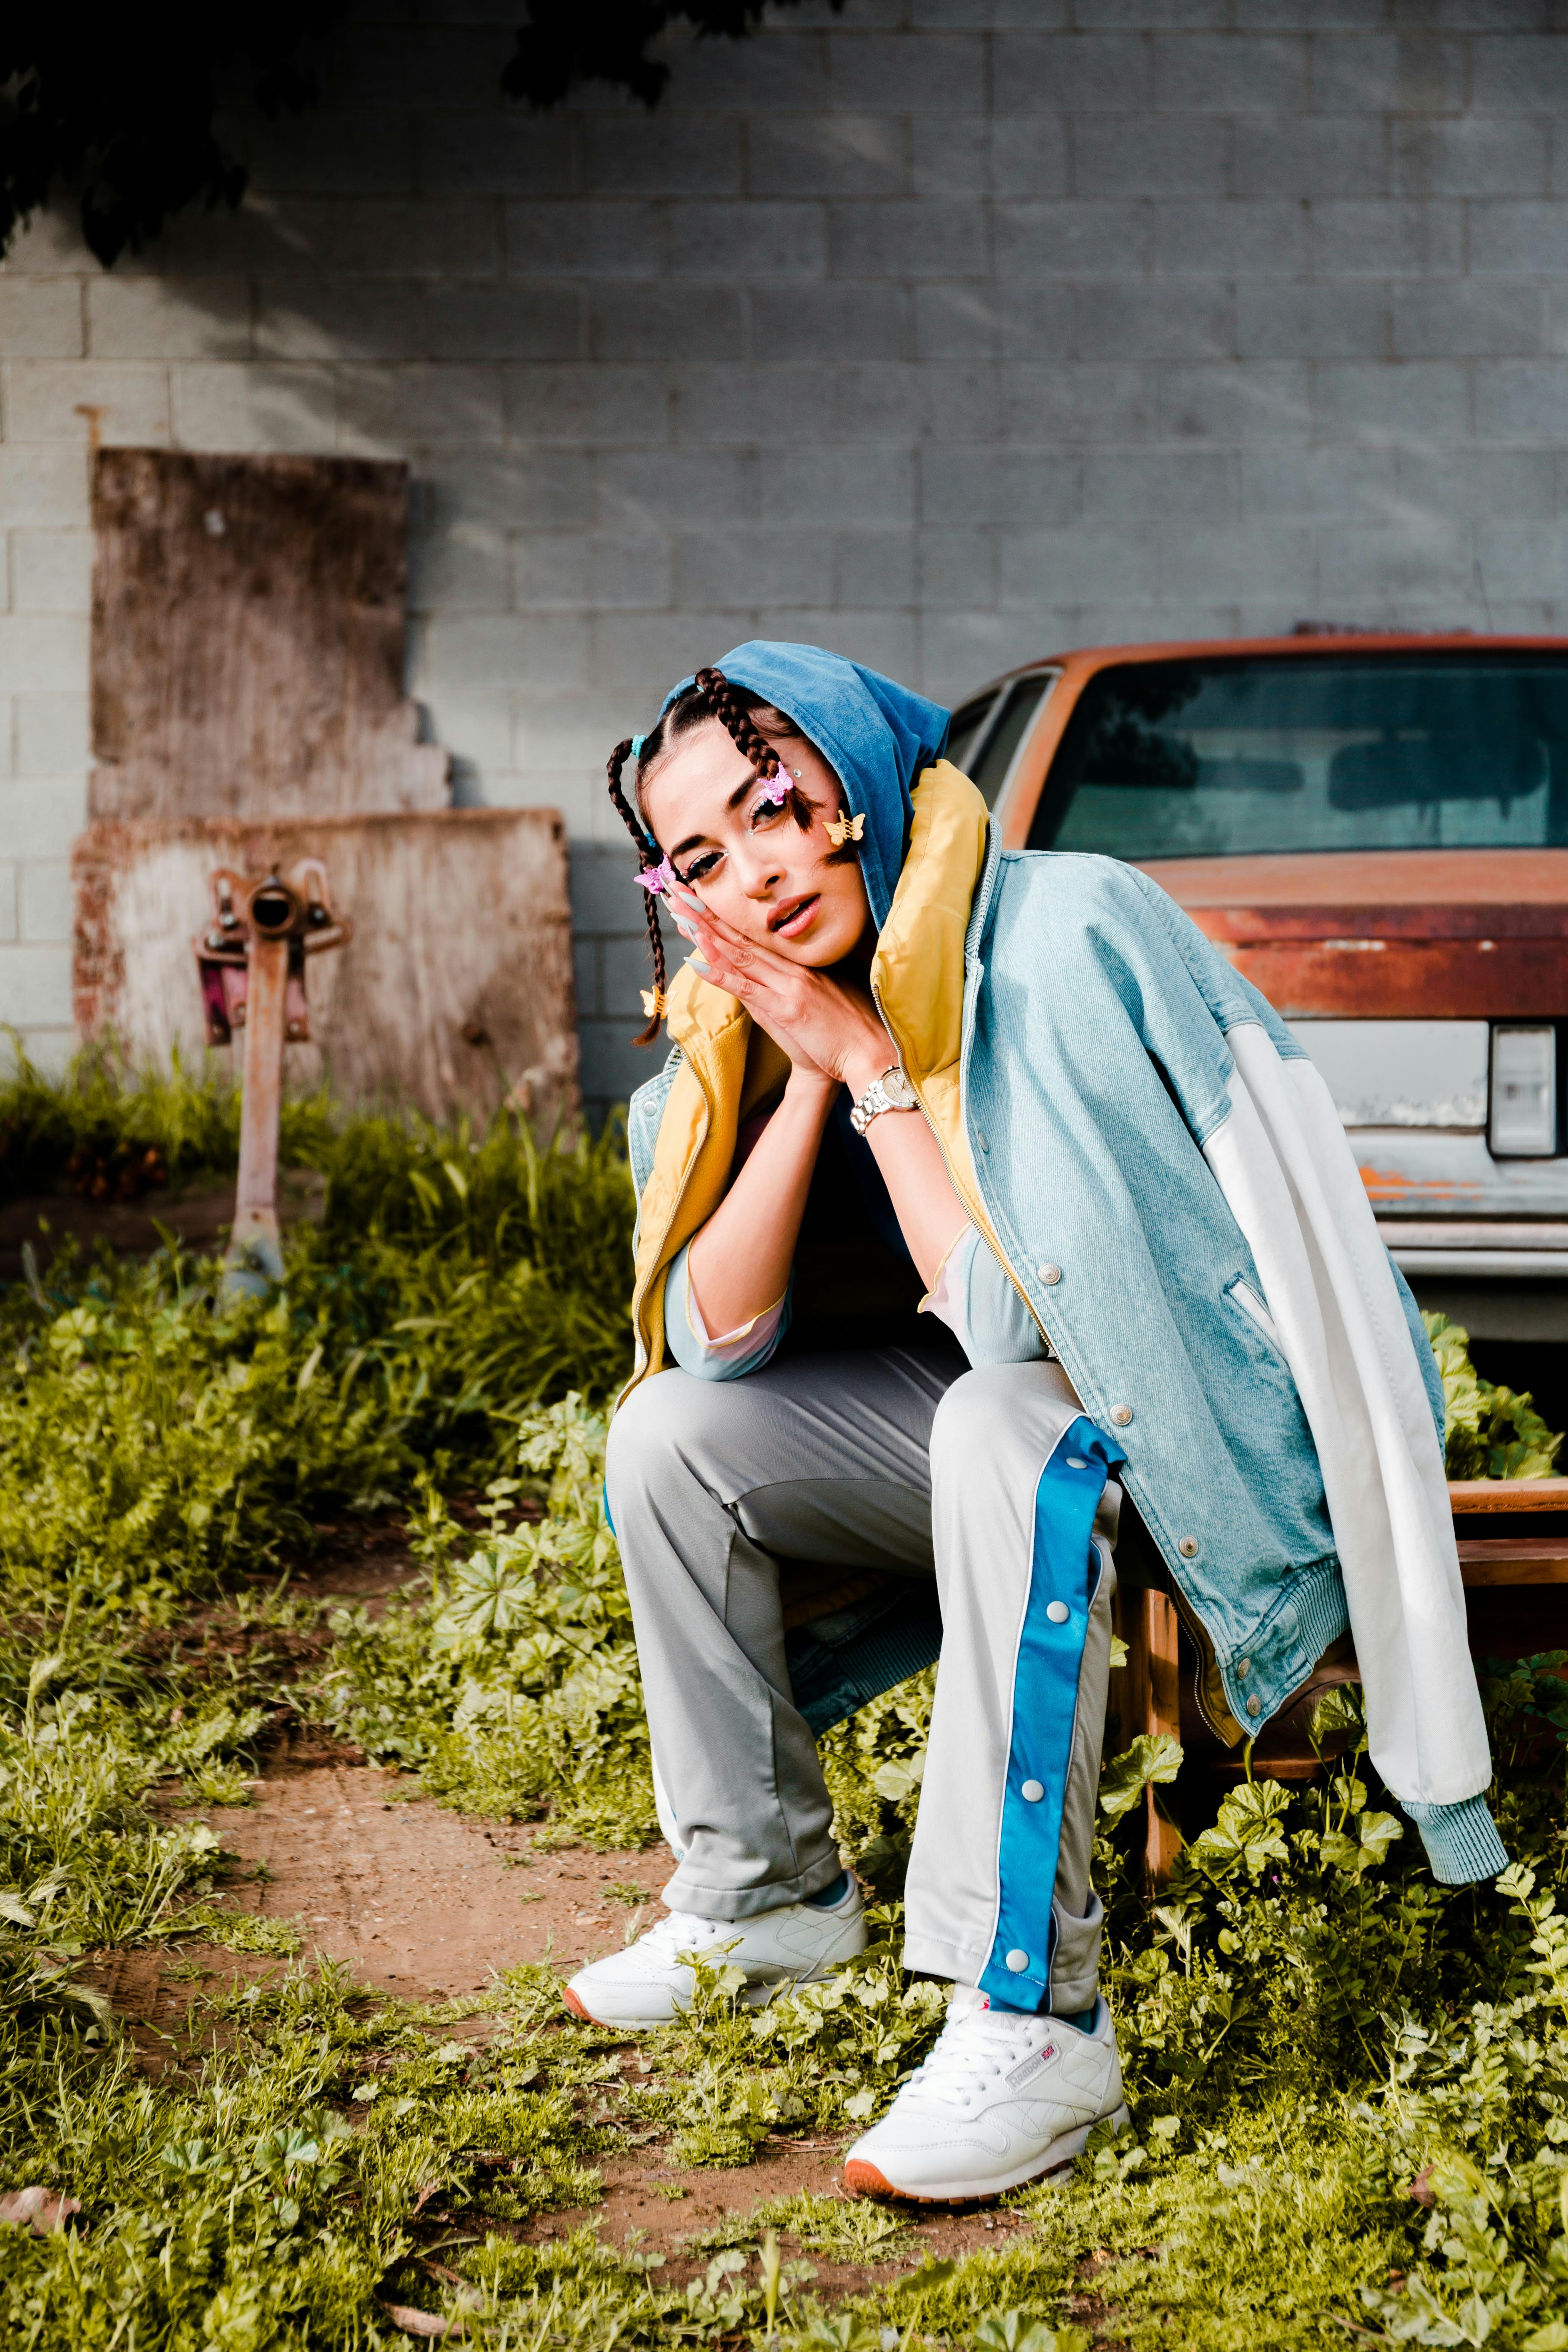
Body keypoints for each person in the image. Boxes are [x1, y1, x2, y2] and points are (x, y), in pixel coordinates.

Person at [564, 642, 1505, 2204]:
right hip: (974, 1431)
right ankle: (764, 1898)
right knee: (666, 1439)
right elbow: (712, 1347)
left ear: (855, 788)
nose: (762, 868)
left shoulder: (1057, 932)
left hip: (1174, 1428)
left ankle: (1033, 2018)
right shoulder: (736, 1046)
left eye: (775, 803)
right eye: (706, 858)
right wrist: (804, 1074)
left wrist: (873, 1066)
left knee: (1006, 1421)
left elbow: (1012, 1332)